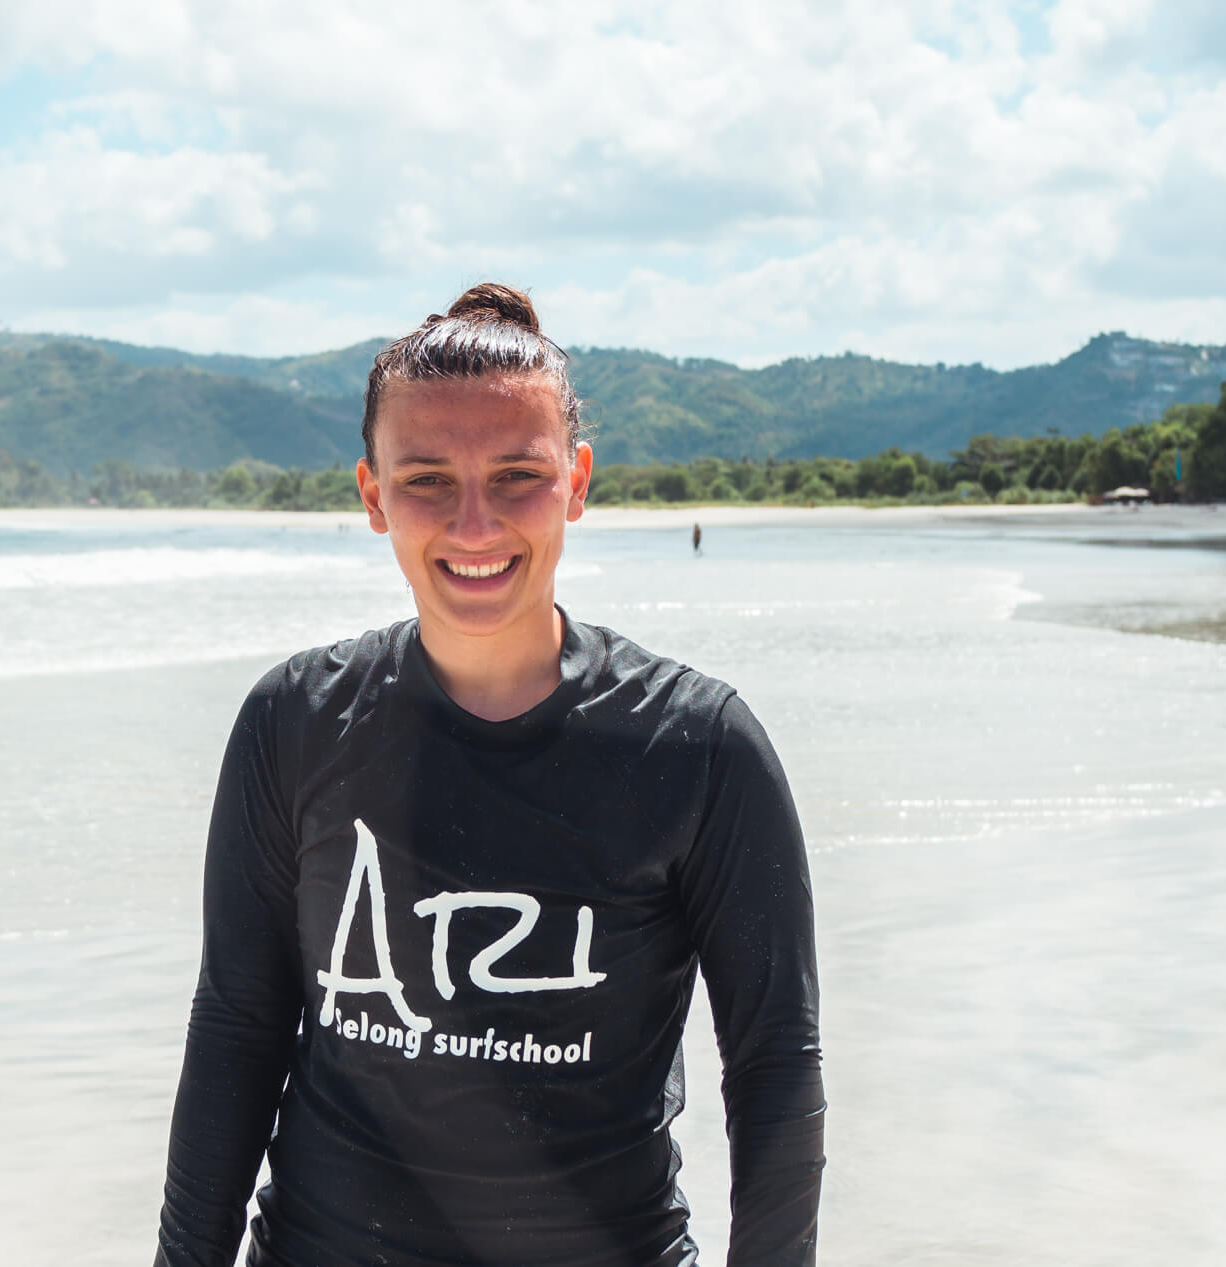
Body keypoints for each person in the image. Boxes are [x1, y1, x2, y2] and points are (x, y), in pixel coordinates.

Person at [153, 283, 824, 1267]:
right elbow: (239, 1027)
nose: (473, 524)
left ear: (576, 480)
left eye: (516, 474)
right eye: (427, 479)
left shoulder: (694, 747)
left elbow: (771, 1063)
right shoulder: (296, 719)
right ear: (373, 493)